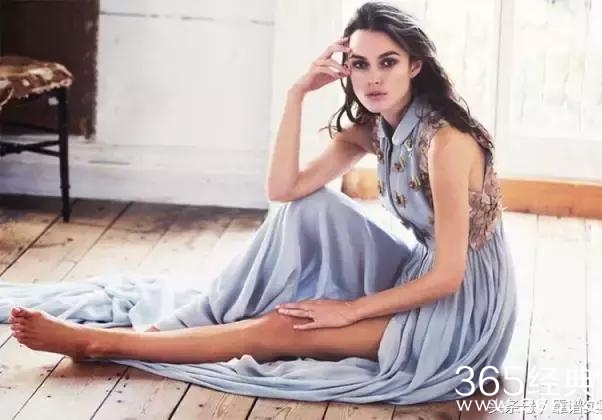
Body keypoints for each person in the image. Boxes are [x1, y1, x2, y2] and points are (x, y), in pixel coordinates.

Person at [1, 1, 517, 404]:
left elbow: (450, 276)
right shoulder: (374, 128)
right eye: (360, 64)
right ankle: (202, 319)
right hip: (419, 270)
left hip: (462, 307)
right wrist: (297, 94)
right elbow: (284, 190)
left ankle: (102, 343)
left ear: (415, 66)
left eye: (388, 62)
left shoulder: (446, 142)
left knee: (283, 327)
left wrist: (348, 311)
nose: (373, 78)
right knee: (308, 207)